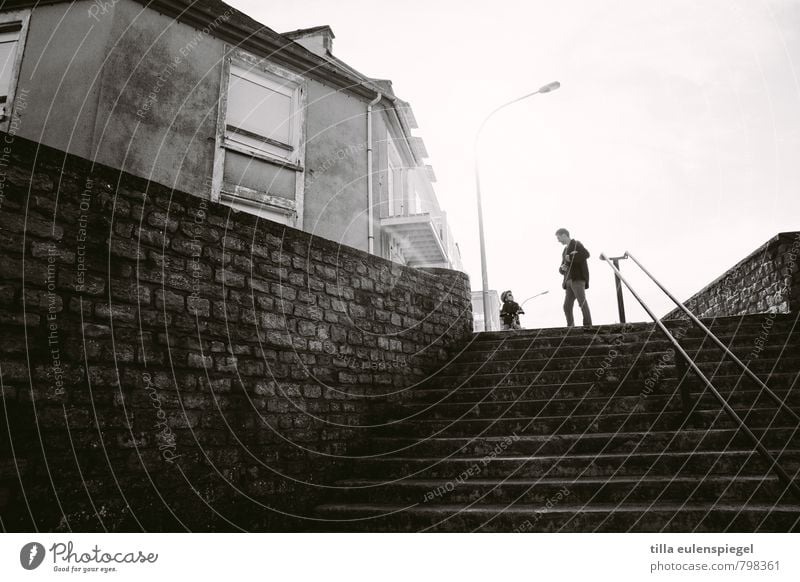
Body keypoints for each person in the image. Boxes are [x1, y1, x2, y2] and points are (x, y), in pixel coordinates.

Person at [556, 228, 593, 327]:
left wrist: (572, 257)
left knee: (582, 302)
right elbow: (561, 267)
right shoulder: (564, 250)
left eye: (559, 238)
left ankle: (588, 325)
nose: (558, 240)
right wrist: (561, 268)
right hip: (567, 281)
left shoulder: (576, 244)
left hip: (577, 279)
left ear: (564, 235)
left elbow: (586, 254)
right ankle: (570, 327)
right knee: (567, 306)